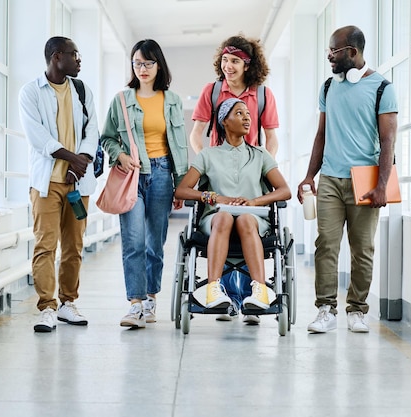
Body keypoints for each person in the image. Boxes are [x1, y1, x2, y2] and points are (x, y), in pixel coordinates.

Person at [297, 25, 398, 334]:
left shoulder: (382, 87)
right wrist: (308, 176)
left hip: (365, 181)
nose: (329, 56)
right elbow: (321, 134)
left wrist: (382, 185)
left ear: (352, 52)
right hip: (329, 178)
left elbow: (388, 140)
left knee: (362, 248)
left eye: (334, 51)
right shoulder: (329, 87)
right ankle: (325, 309)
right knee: (325, 244)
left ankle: (357, 309)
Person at [190, 34, 281, 323]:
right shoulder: (213, 91)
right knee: (224, 219)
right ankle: (225, 298)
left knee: (245, 220)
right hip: (219, 170)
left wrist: (263, 167)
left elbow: (271, 139)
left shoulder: (263, 95)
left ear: (248, 65)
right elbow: (197, 135)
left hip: (253, 168)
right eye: (225, 60)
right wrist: (210, 163)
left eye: (235, 61)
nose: (228, 66)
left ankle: (253, 298)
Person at [100, 39, 189, 329]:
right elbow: (107, 137)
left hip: (163, 173)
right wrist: (119, 155)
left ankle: (151, 298)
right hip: (132, 176)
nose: (143, 69)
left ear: (158, 65)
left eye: (148, 63)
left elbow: (179, 144)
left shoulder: (172, 100)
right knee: (134, 241)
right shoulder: (121, 100)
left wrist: (180, 184)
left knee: (155, 243)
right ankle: (135, 304)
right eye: (137, 63)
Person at [175, 98, 291, 314]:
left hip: (254, 219)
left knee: (246, 218)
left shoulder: (260, 155)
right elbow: (182, 190)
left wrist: (254, 201)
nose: (247, 117)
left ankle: (260, 291)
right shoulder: (208, 155)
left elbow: (285, 191)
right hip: (216, 220)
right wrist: (215, 198)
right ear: (224, 122)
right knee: (224, 217)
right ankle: (213, 290)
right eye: (239, 113)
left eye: (248, 114)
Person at [18, 36, 99, 332]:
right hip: (46, 182)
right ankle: (46, 308)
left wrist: (80, 164)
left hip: (78, 183)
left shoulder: (81, 90)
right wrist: (70, 159)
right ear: (56, 57)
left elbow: (93, 131)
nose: (79, 60)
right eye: (74, 55)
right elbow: (37, 137)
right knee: (45, 246)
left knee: (74, 247)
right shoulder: (30, 92)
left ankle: (67, 304)